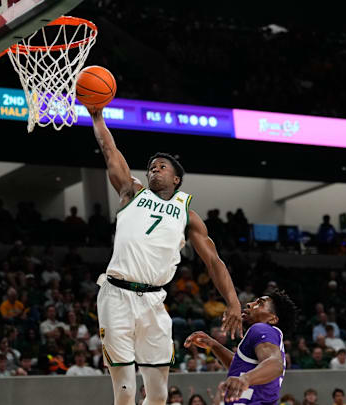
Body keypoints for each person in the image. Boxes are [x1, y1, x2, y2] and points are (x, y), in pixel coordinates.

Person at [89, 107, 242, 405]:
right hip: (116, 294)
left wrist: (234, 302)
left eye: (162, 167)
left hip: (154, 302)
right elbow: (110, 150)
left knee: (159, 396)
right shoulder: (132, 192)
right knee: (124, 391)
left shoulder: (188, 214)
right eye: (151, 168)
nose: (154, 170)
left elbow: (213, 261)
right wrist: (97, 117)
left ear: (177, 180)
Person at [184, 290, 296, 404]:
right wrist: (214, 345)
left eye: (260, 303)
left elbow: (276, 364)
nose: (249, 304)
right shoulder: (268, 338)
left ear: (272, 319)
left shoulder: (261, 328)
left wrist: (245, 379)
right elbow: (240, 366)